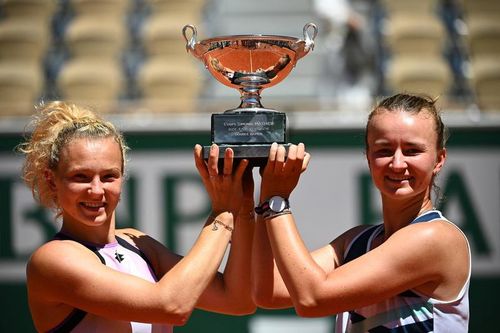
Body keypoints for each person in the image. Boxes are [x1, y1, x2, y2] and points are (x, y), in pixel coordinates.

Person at [17, 101, 256, 332]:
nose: (97, 190)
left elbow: (237, 300)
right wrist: (222, 215)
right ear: (51, 180)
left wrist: (242, 206)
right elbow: (171, 306)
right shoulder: (52, 260)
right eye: (81, 177)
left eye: (109, 176)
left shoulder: (137, 242)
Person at [251, 93, 470, 332]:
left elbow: (311, 299)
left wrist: (277, 201)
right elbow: (269, 291)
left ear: (439, 160)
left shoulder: (436, 238)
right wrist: (259, 199)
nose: (397, 163)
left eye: (412, 150)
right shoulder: (355, 241)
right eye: (384, 150)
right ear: (367, 157)